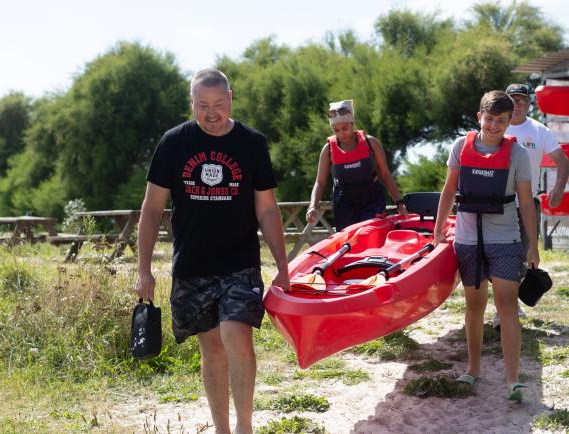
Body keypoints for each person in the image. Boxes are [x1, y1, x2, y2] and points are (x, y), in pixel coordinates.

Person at [135, 68, 289, 434]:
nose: (211, 113)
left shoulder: (252, 143)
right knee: (212, 350)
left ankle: (244, 427)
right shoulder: (174, 143)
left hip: (240, 263)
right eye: (202, 105)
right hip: (193, 264)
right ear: (192, 103)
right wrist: (144, 269)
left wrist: (282, 265)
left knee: (237, 339)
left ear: (231, 99)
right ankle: (222, 428)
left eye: (218, 104)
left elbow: (266, 208)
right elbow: (152, 208)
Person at [432, 90, 539, 402]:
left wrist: (532, 244)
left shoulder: (517, 155)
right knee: (474, 306)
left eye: (501, 122)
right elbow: (449, 189)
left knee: (507, 306)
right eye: (489, 119)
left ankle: (513, 379)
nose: (494, 126)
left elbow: (526, 203)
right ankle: (473, 370)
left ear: (509, 123)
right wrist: (439, 228)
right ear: (479, 117)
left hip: (505, 239)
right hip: (468, 240)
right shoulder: (459, 147)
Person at [491, 83, 569, 328]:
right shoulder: (495, 128)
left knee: (524, 256)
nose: (517, 104)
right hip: (497, 204)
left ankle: (510, 306)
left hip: (527, 204)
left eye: (522, 100)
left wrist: (558, 188)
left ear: (529, 103)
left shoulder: (539, 131)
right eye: (512, 99)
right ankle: (502, 310)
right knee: (499, 257)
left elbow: (563, 162)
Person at [305, 100, 408, 231]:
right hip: (344, 203)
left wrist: (399, 203)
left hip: (371, 199)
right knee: (349, 241)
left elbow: (385, 174)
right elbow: (320, 182)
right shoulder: (328, 149)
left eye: (345, 128)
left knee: (370, 233)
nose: (341, 134)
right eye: (336, 130)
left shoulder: (370, 143)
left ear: (352, 123)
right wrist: (313, 206)